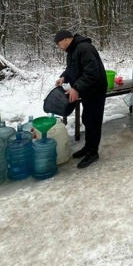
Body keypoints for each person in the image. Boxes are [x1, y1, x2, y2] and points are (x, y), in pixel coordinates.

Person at [54, 29, 107, 169]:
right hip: (87, 91)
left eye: (59, 43)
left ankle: (93, 153)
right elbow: (72, 69)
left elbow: (92, 73)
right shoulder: (73, 51)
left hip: (96, 90)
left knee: (93, 121)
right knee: (87, 119)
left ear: (65, 39)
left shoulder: (84, 48)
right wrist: (64, 77)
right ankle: (88, 147)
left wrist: (76, 88)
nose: (59, 47)